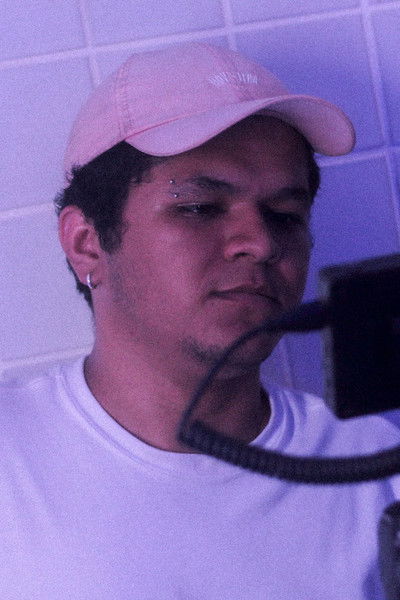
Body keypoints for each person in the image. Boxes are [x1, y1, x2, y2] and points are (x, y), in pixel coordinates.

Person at [1, 42, 398, 599]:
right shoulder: (12, 455)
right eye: (198, 208)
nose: (261, 243)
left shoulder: (372, 463)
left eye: (285, 215)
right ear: (87, 243)